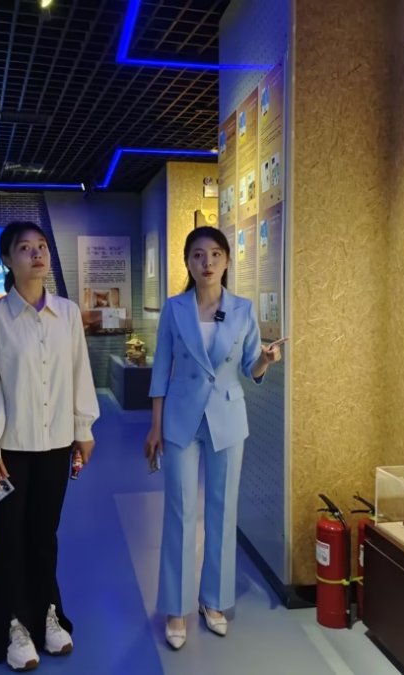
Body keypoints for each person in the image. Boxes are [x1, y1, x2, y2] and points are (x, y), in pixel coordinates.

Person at [144, 226, 286, 649]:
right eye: (198, 255)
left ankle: (215, 600)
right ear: (188, 262)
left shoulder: (243, 309)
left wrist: (265, 360)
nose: (207, 263)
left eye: (215, 255)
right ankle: (176, 607)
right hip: (180, 418)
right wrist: (155, 426)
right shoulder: (174, 309)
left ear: (226, 260)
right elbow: (160, 369)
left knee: (222, 511)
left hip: (227, 416)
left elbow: (250, 368)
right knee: (179, 510)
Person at [0, 221, 99, 671]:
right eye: (24, 248)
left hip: (56, 446)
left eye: (41, 245)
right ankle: (11, 624)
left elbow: (80, 373)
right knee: (7, 538)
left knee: (44, 537)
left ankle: (46, 614)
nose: (37, 253)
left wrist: (84, 429)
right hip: (7, 454)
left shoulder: (67, 314)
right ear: (7, 259)